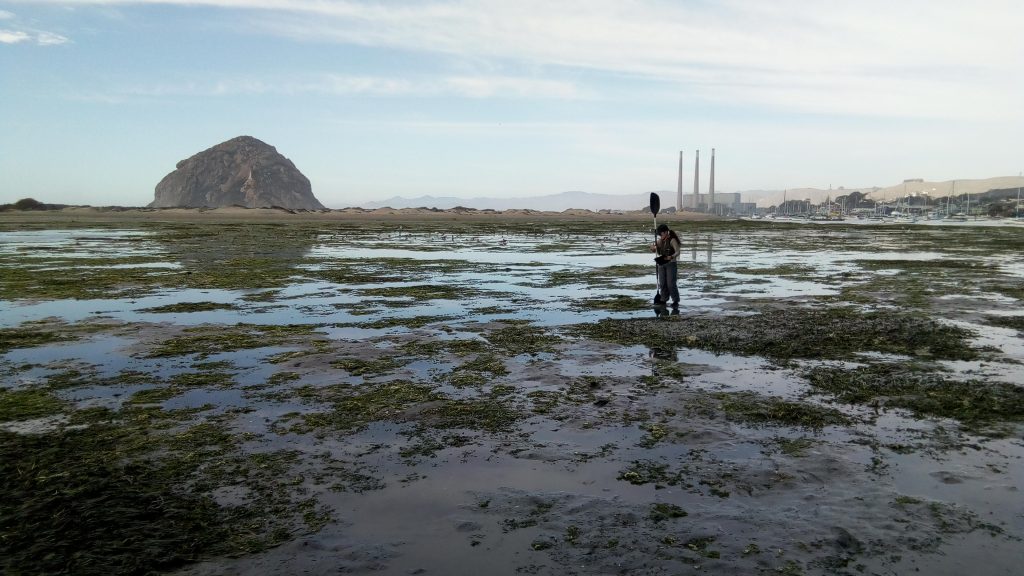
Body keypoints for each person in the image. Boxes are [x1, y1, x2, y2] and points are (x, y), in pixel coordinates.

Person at [651, 223, 681, 307]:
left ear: (665, 232)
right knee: (662, 283)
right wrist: (653, 248)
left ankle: (675, 300)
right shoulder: (660, 240)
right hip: (661, 263)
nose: (660, 236)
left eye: (661, 234)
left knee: (671, 283)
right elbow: (654, 248)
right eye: (659, 235)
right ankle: (663, 299)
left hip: (671, 264)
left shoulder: (672, 240)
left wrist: (671, 256)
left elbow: (678, 251)